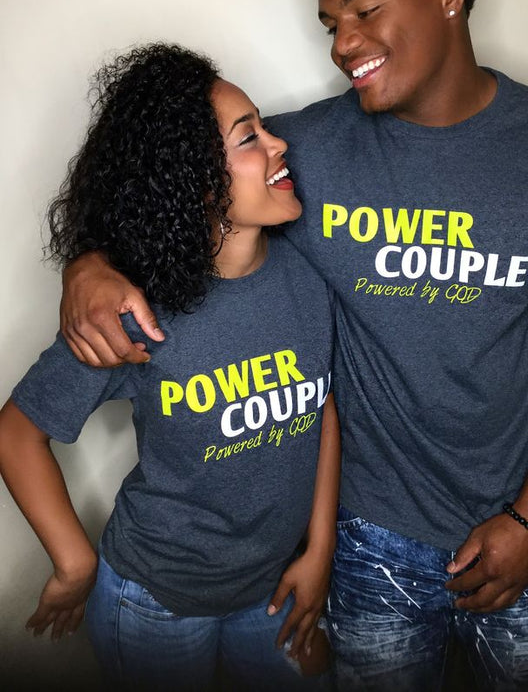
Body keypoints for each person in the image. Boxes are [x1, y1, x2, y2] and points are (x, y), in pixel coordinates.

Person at [57, 0, 528, 690]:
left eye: (364, 11)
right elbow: (171, 183)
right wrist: (88, 262)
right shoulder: (304, 151)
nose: (343, 44)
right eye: (331, 23)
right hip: (369, 542)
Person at [0, 43, 339, 692]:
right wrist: (73, 563)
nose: (279, 145)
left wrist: (319, 550)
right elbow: (17, 433)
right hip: (152, 604)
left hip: (273, 588)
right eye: (250, 137)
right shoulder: (136, 312)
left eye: (265, 128)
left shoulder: (307, 278)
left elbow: (322, 407)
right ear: (197, 181)